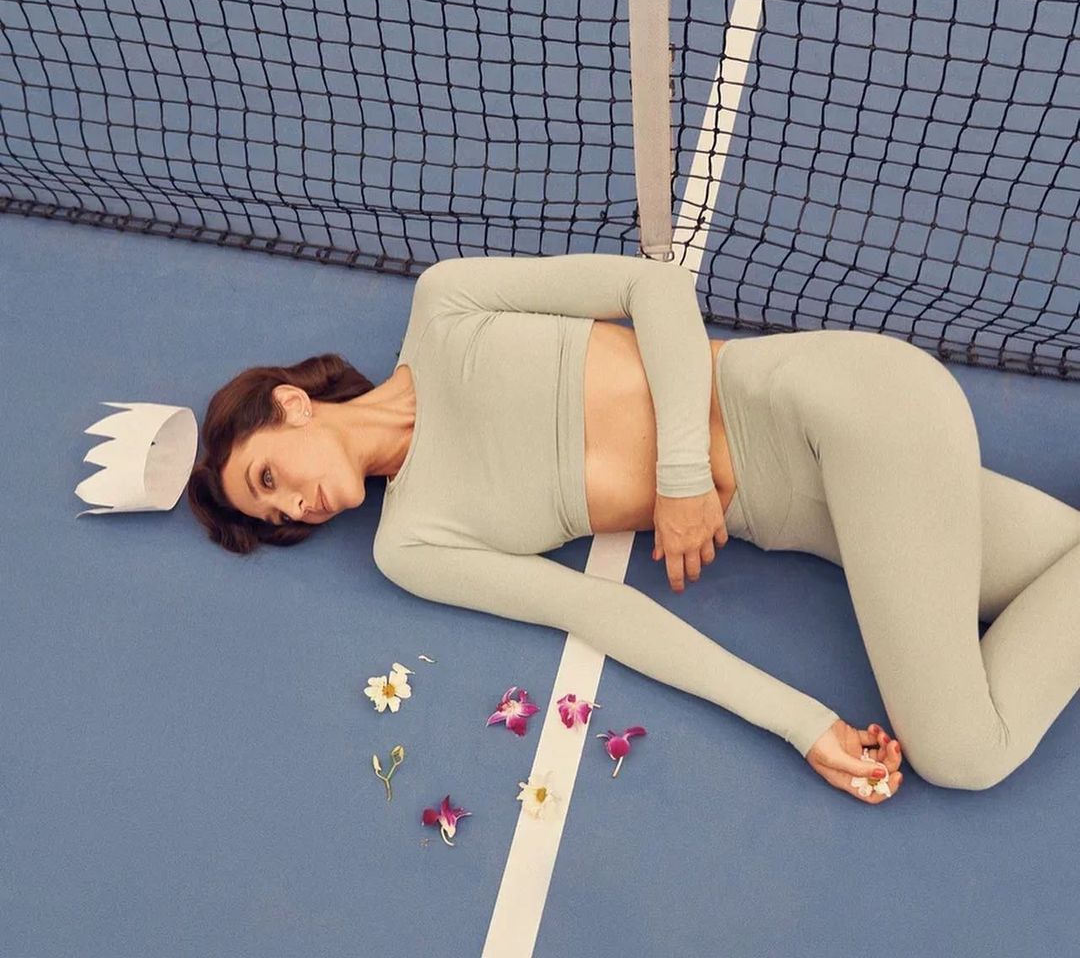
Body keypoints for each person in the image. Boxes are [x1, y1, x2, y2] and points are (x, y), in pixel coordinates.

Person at [189, 253, 1080, 802]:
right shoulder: (410, 544)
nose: (292, 507)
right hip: (831, 512)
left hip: (836, 406)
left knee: (963, 753)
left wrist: (683, 479)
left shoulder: (446, 305)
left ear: (291, 404)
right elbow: (601, 612)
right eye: (275, 517)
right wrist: (801, 722)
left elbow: (648, 285)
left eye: (269, 477)